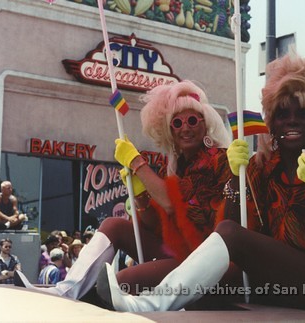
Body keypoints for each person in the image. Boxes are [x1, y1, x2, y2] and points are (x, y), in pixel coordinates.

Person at [96, 52, 305, 312]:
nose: (292, 121)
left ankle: (151, 303)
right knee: (201, 291)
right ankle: (71, 290)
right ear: (271, 123)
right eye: (282, 114)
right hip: (264, 281)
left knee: (134, 279)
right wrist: (238, 179)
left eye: (302, 113)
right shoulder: (260, 169)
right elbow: (236, 229)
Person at [15, 80, 232, 300]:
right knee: (114, 225)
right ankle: (66, 290)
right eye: (177, 123)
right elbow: (154, 225)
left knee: (119, 284)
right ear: (169, 131)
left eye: (193, 120)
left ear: (206, 124)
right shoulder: (174, 168)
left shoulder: (217, 159)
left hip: (202, 262)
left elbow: (172, 203)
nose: (185, 128)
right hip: (176, 252)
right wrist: (140, 196)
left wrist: (137, 163)